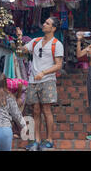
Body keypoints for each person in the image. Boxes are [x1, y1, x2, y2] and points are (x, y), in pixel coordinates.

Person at [16, 17, 63, 151]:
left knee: (46, 110)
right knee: (35, 111)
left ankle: (49, 139)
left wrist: (43, 73)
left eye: (47, 23)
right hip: (33, 81)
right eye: (45, 22)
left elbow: (58, 65)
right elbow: (21, 51)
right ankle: (35, 140)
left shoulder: (57, 44)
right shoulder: (35, 41)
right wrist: (19, 38)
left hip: (47, 80)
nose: (44, 24)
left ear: (53, 28)